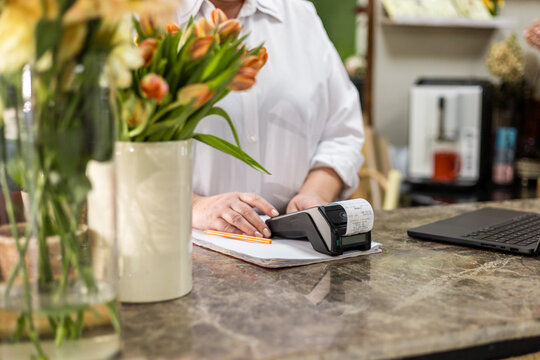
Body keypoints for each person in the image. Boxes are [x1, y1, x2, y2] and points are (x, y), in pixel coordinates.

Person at [176, 0, 365, 238]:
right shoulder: (147, 17)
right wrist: (192, 205)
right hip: (185, 248)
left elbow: (342, 131)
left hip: (293, 248)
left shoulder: (299, 15)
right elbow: (122, 152)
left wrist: (315, 194)